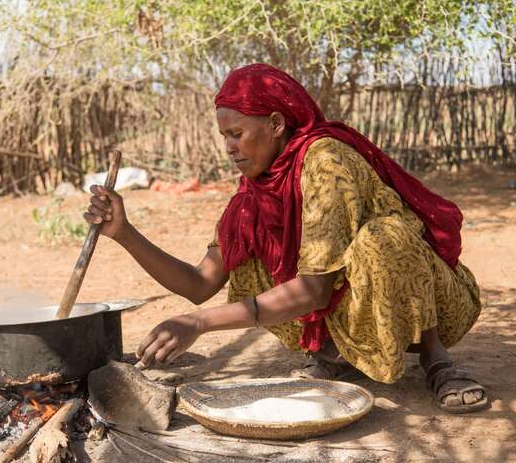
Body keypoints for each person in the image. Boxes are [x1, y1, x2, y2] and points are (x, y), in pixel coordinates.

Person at [84, 63, 487, 414]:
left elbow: (313, 289)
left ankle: (435, 358)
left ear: (276, 124)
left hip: (427, 302)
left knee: (382, 239)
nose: (229, 148)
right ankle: (334, 350)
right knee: (253, 243)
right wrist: (124, 233)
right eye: (224, 136)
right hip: (355, 303)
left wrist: (199, 324)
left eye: (237, 133)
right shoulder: (254, 193)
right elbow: (200, 283)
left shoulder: (326, 160)